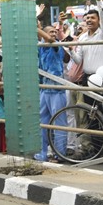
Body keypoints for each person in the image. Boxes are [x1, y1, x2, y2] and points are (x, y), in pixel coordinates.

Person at [36, 25, 67, 162]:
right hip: (44, 88)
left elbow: (49, 39)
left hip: (57, 90)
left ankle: (60, 154)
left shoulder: (56, 45)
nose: (54, 33)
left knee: (59, 122)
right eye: (51, 31)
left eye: (55, 31)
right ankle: (42, 152)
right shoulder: (40, 47)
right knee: (42, 122)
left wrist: (36, 27)